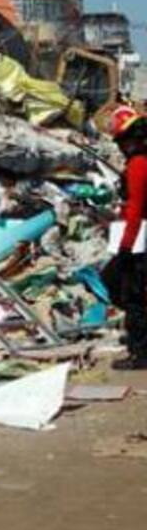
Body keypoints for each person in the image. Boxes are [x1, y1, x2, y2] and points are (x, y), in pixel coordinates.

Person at [109, 105, 147, 369]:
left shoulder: (137, 165)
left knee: (130, 293)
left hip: (138, 239)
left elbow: (135, 210)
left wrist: (125, 247)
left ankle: (140, 352)